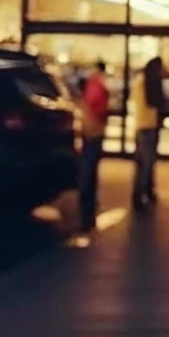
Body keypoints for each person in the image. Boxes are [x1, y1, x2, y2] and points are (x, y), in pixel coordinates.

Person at [77, 61, 110, 232]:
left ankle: (87, 201)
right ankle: (87, 202)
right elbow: (97, 107)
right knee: (90, 167)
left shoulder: (91, 83)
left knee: (89, 166)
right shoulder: (97, 85)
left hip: (90, 130)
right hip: (94, 130)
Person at [131, 55, 165, 207]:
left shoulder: (139, 81)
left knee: (142, 163)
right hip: (148, 126)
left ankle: (142, 192)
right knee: (147, 163)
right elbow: (154, 102)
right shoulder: (147, 83)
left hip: (141, 126)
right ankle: (142, 194)